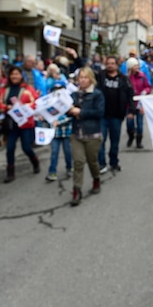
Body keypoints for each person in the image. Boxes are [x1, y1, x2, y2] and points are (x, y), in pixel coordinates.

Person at [67, 67, 105, 206]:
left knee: (92, 161)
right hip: (77, 133)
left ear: (90, 79)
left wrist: (80, 111)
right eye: (80, 77)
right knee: (78, 162)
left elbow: (99, 113)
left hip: (92, 134)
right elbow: (68, 110)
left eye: (85, 77)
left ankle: (96, 179)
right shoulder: (74, 95)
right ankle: (77, 190)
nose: (82, 80)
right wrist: (68, 110)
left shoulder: (97, 94)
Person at [0, 65, 40, 183]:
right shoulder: (4, 89)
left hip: (25, 123)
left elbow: (35, 103)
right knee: (10, 148)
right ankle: (10, 172)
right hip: (11, 124)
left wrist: (23, 107)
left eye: (17, 74)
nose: (15, 76)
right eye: (12, 74)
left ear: (21, 76)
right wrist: (8, 107)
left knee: (26, 148)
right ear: (9, 76)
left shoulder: (28, 88)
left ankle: (35, 161)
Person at [96, 55, 135, 173]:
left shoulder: (123, 79)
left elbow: (130, 95)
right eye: (108, 63)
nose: (110, 65)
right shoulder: (100, 76)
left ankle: (114, 162)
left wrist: (131, 110)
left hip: (117, 115)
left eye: (112, 63)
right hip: (102, 114)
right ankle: (101, 164)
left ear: (117, 65)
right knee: (100, 141)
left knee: (115, 141)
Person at [44, 80, 73, 181]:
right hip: (54, 133)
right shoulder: (49, 103)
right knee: (54, 152)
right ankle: (52, 172)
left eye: (60, 89)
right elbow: (46, 115)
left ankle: (69, 168)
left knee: (68, 151)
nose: (58, 92)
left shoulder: (69, 102)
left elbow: (71, 116)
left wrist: (59, 121)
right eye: (55, 89)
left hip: (66, 131)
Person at [125, 56, 151, 149]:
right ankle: (131, 136)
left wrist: (145, 91)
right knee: (129, 124)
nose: (137, 67)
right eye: (135, 66)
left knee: (140, 124)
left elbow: (148, 86)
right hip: (130, 104)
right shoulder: (126, 78)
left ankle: (139, 140)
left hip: (140, 104)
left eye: (137, 65)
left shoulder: (142, 76)